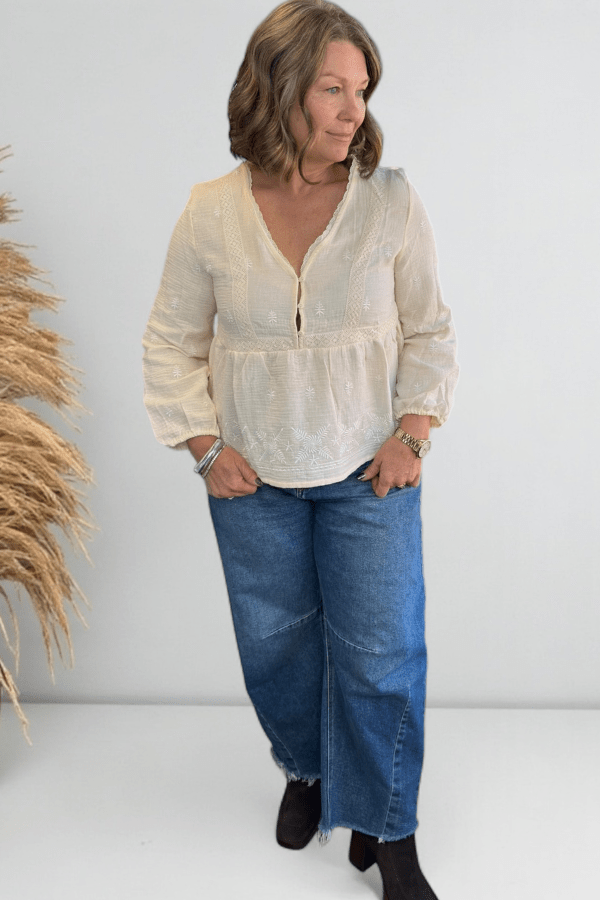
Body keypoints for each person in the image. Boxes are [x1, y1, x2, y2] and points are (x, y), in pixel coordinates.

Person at [142, 2, 458, 897]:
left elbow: (431, 330)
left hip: (370, 475)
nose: (352, 108)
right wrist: (205, 448)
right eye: (332, 87)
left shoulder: (391, 203)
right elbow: (170, 340)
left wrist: (412, 433)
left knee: (382, 651)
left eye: (361, 90)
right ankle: (307, 772)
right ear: (279, 86)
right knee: (276, 647)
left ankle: (388, 830)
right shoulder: (211, 212)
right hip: (252, 481)